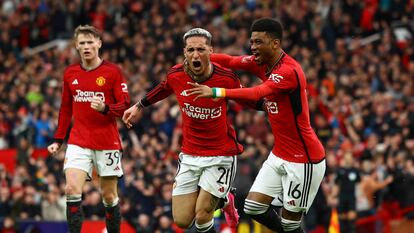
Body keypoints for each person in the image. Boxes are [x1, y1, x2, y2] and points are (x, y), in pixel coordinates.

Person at [186, 18, 326, 233]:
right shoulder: (260, 62)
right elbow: (231, 60)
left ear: (275, 44)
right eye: (252, 42)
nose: (253, 47)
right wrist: (200, 55)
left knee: (290, 223)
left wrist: (217, 92)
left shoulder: (289, 71)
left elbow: (257, 92)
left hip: (304, 159)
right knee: (253, 207)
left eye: (258, 42)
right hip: (279, 154)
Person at [123, 28, 264, 233]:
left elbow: (245, 98)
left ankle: (221, 199)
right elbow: (163, 87)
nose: (195, 54)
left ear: (210, 51)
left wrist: (269, 104)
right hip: (190, 154)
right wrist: (138, 106)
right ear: (185, 52)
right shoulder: (176, 74)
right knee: (181, 220)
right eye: (191, 50)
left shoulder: (226, 77)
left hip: (220, 153)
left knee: (203, 214)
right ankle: (224, 198)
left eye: (200, 49)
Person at [47, 25, 130, 233]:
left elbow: (125, 106)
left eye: (90, 42)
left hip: (107, 141)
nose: (86, 46)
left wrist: (105, 108)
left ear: (98, 44)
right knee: (71, 189)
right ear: (76, 46)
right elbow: (66, 108)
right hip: (78, 140)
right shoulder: (70, 73)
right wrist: (58, 139)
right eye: (82, 43)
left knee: (109, 196)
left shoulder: (112, 72)